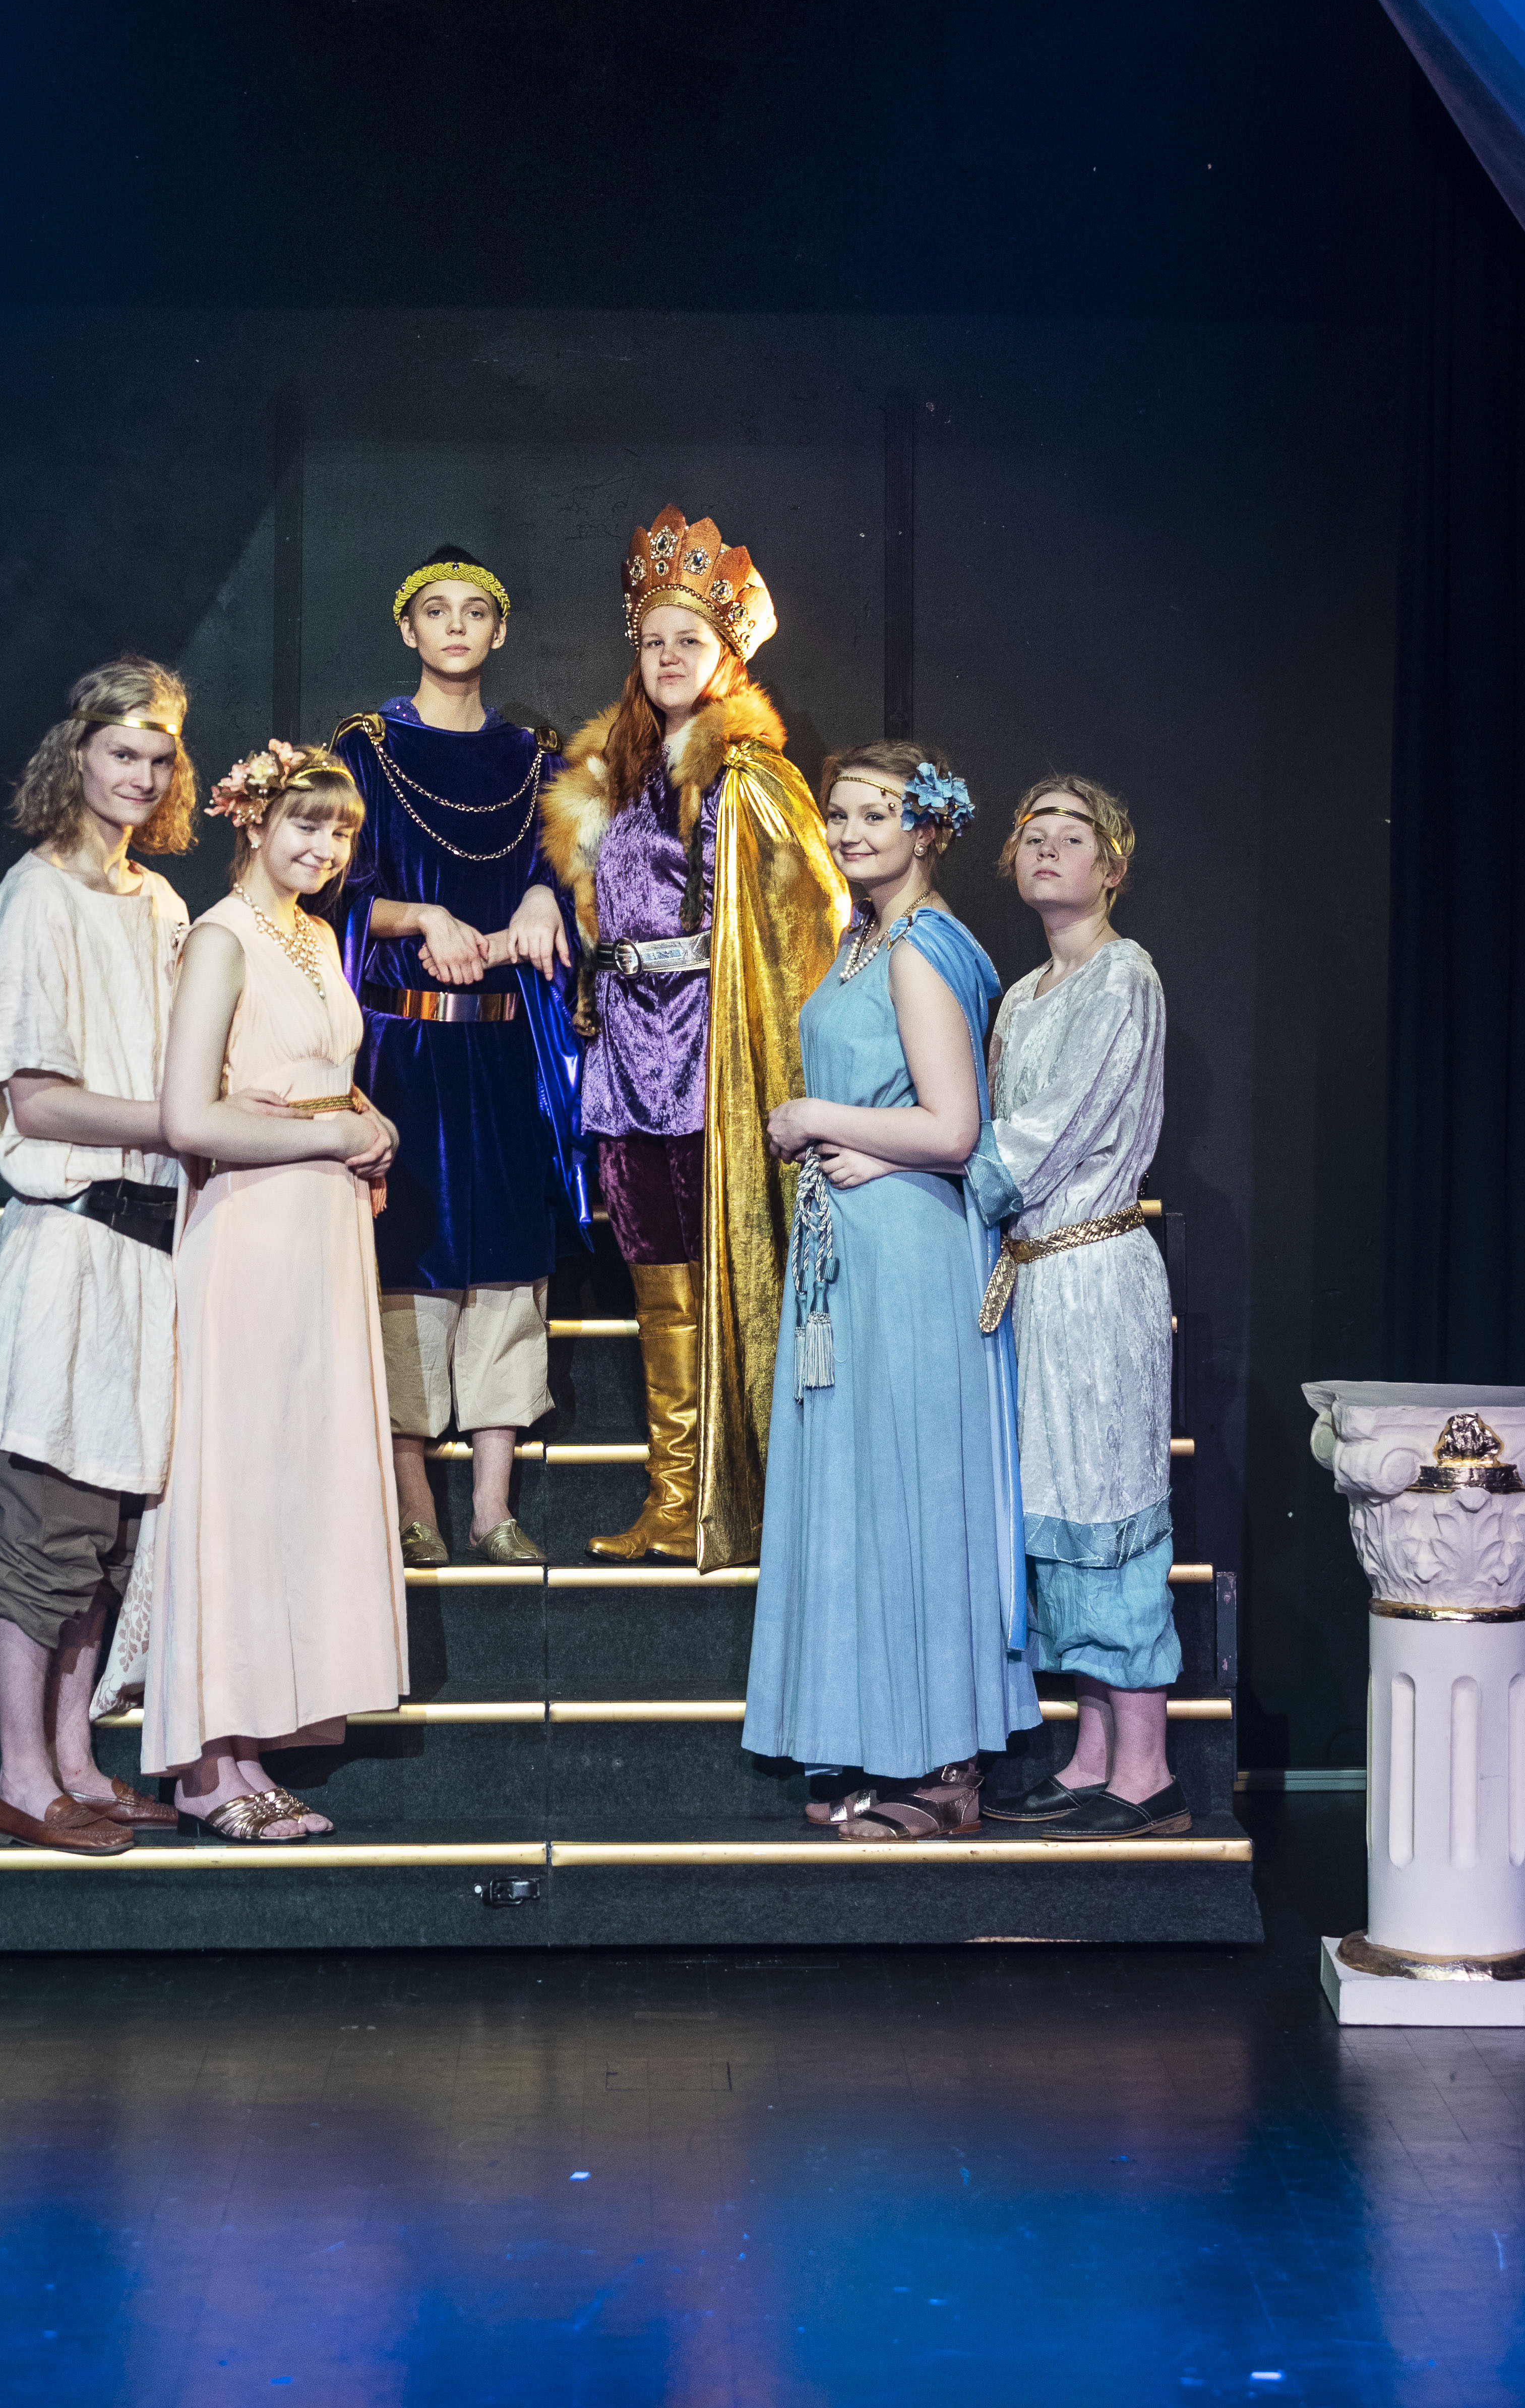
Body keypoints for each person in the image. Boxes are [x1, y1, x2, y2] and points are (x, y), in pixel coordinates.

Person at [538, 506, 849, 1567]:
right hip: (629, 1059)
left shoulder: (745, 778)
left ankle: (745, 1492)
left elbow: (797, 925)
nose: (669, 657)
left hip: (710, 1062)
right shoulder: (619, 777)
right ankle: (674, 1498)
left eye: (690, 640)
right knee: (657, 1280)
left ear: (725, 655)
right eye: (653, 640)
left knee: (725, 1273)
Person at [746, 747, 1040, 1833]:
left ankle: (945, 1772)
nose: (850, 831)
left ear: (927, 829)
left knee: (913, 1492)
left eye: (877, 814)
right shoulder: (864, 936)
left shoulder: (918, 947)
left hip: (910, 1255)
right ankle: (886, 1745)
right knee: (870, 1494)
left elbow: (953, 1128)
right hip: (857, 1253)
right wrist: (859, 1140)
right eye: (839, 813)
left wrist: (814, 1118)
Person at [140, 739, 407, 1844]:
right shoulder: (220, 938)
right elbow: (187, 1118)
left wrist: (367, 1121)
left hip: (321, 1239)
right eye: (305, 823)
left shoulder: (315, 935)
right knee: (240, 1486)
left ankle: (260, 1735)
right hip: (250, 1237)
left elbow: (311, 1078)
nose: (324, 847)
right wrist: (332, 1136)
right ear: (251, 821)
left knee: (296, 1480)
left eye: (340, 832)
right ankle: (209, 1765)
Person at [0, 658, 198, 1857]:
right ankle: (19, 1778)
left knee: (108, 1546)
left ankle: (74, 1763)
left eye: (158, 759)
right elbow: (37, 1100)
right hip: (69, 1253)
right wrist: (181, 1120)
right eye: (121, 755)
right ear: (78, 756)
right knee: (47, 1537)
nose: (140, 777)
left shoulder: (160, 906)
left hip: (149, 1260)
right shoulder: (35, 896)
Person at [329, 545, 592, 1568]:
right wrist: (420, 916)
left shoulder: (536, 758)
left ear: (498, 630)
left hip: (502, 1047)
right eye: (434, 611)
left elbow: (569, 872)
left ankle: (491, 1507)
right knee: (408, 1267)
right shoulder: (366, 748)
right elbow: (333, 888)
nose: (453, 627)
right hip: (404, 1044)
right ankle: (413, 1505)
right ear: (408, 629)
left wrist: (544, 899)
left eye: (472, 612)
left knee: (506, 1272)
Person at [969, 776, 1185, 1836]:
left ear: (1112, 868)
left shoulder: (1123, 976)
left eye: (1072, 837)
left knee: (1105, 1505)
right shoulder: (1019, 996)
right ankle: (1091, 1752)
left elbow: (1046, 1133)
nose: (1048, 849)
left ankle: (1146, 1770)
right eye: (1033, 837)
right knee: (1053, 1512)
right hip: (1035, 1278)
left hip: (1094, 1271)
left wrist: (931, 1164)